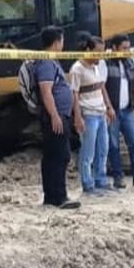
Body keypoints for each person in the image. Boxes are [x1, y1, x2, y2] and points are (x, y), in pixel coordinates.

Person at [33, 25, 80, 210]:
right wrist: (54, 115)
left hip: (59, 115)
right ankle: (59, 196)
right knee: (60, 155)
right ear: (56, 42)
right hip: (55, 116)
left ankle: (52, 196)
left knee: (54, 155)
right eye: (62, 40)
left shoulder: (52, 62)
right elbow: (46, 92)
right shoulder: (46, 63)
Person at [69, 35, 115, 196]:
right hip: (88, 114)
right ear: (88, 50)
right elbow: (74, 94)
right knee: (88, 152)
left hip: (100, 112)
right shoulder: (77, 69)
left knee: (103, 149)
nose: (100, 56)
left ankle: (101, 180)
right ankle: (87, 184)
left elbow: (101, 87)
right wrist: (77, 117)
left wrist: (108, 107)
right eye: (97, 52)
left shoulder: (96, 66)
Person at [105, 37, 134, 189]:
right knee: (113, 145)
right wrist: (108, 107)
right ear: (114, 48)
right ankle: (118, 176)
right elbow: (102, 86)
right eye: (124, 48)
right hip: (113, 111)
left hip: (128, 110)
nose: (127, 51)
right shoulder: (106, 62)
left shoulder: (130, 62)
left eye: (128, 48)